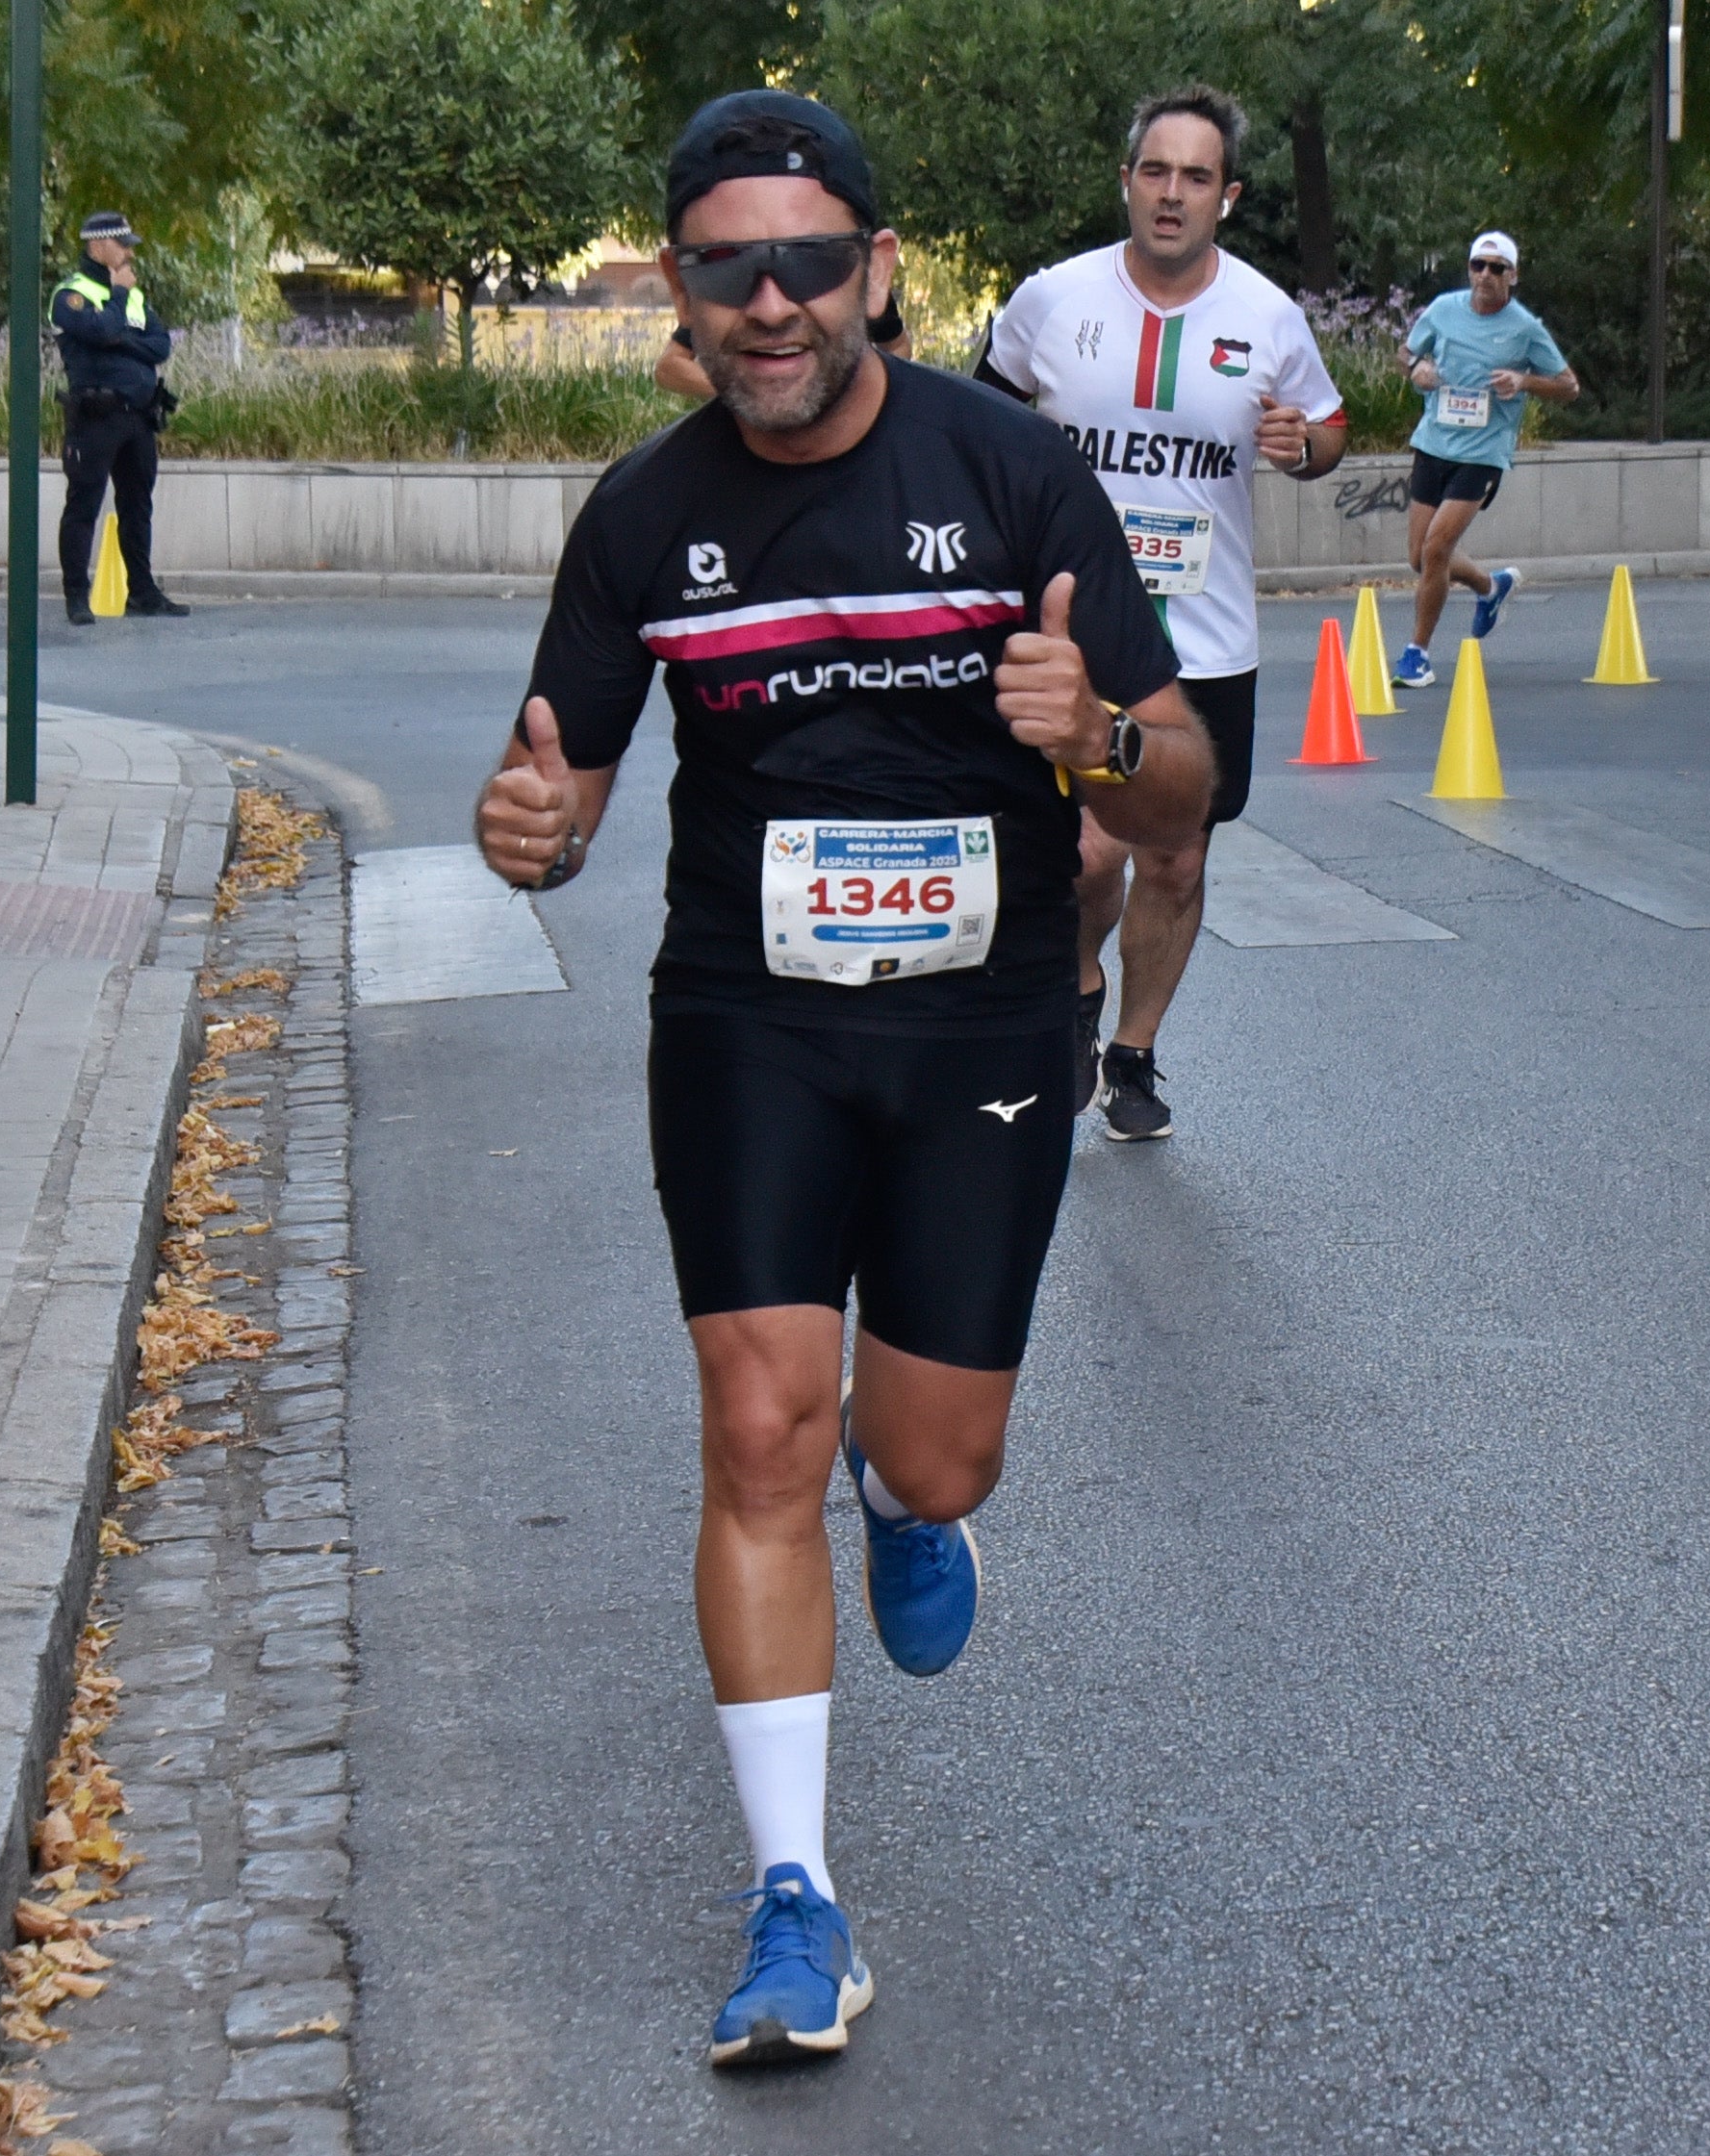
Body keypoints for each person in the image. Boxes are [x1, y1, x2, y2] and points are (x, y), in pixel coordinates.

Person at [472, 89, 1212, 2068]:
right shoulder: (642, 515)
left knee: (935, 1450)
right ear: (679, 293)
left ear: (879, 269)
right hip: (750, 1015)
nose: (773, 300)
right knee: (754, 1421)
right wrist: (527, 829)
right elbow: (563, 791)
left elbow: (1182, 780)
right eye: (730, 268)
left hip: (980, 1036)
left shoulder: (1012, 474)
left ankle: (914, 1488)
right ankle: (797, 1899)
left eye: (809, 260)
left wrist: (1096, 741)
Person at [978, 84, 1348, 1141]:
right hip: (1072, 634)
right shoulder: (1050, 299)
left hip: (1208, 638)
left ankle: (1133, 1054)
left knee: (1177, 856)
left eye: (1196, 177)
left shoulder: (1268, 316)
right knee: (1092, 853)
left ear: (1226, 196)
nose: (1172, 194)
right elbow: (983, 420)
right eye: (1156, 172)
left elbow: (1327, 427)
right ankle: (1078, 987)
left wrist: (1305, 450)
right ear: (1127, 182)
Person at [1391, 232, 1576, 689]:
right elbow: (1406, 353)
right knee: (1420, 557)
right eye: (1479, 266)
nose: (1486, 276)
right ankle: (1490, 587)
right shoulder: (1443, 309)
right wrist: (1418, 370)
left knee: (1436, 549)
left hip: (1483, 452)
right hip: (1434, 443)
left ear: (1512, 276)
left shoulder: (1526, 328)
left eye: (1497, 268)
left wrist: (1525, 380)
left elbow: (1569, 386)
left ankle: (1417, 654)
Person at [52, 211, 187, 624]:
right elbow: (103, 331)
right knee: (83, 506)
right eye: (122, 244)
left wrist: (119, 336)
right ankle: (77, 596)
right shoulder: (72, 295)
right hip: (96, 418)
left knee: (137, 507)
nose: (129, 252)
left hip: (138, 418)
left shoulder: (132, 295)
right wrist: (119, 304)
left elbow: (160, 346)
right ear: (98, 247)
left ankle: (142, 593)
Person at [659, 291, 908, 397]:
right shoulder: (730, 283)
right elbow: (669, 368)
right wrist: (749, 390)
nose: (773, 312)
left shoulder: (853, 277)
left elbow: (899, 349)